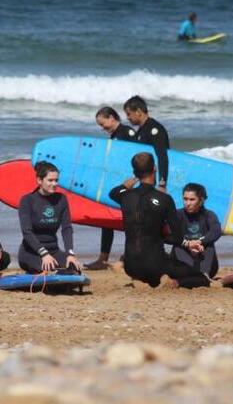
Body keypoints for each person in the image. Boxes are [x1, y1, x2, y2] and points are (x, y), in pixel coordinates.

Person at [109, 152, 210, 289]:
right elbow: (177, 237)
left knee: (151, 267)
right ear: (154, 168)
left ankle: (141, 280)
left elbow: (113, 193)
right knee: (202, 278)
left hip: (130, 266)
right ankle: (174, 283)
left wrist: (126, 185)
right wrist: (183, 242)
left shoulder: (125, 197)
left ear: (135, 173)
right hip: (155, 265)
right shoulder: (165, 199)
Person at [84, 106, 136, 271]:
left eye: (103, 123)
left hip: (129, 185)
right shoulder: (115, 136)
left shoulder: (127, 134)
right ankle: (103, 258)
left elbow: (137, 157)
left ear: (112, 118)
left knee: (130, 221)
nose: (102, 127)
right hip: (117, 184)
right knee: (107, 220)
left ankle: (127, 257)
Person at [18, 161, 81, 274]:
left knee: (74, 270)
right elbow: (26, 231)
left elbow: (66, 228)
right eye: (50, 180)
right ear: (39, 180)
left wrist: (70, 254)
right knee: (48, 270)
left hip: (54, 251)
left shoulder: (61, 199)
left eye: (56, 180)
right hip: (31, 253)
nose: (54, 184)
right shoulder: (27, 200)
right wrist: (44, 254)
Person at [172, 183, 222, 278]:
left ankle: (204, 275)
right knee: (178, 245)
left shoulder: (209, 215)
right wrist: (187, 244)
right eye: (185, 199)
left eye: (192, 199)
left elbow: (216, 231)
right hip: (182, 262)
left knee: (209, 244)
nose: (187, 203)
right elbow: (168, 235)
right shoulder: (178, 215)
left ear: (201, 200)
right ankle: (190, 272)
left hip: (205, 262)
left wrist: (200, 242)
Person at [124, 95, 170, 191]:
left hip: (154, 182)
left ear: (138, 112)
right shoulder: (142, 130)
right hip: (145, 182)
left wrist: (162, 184)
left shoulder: (154, 129)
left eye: (129, 114)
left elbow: (162, 157)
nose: (127, 118)